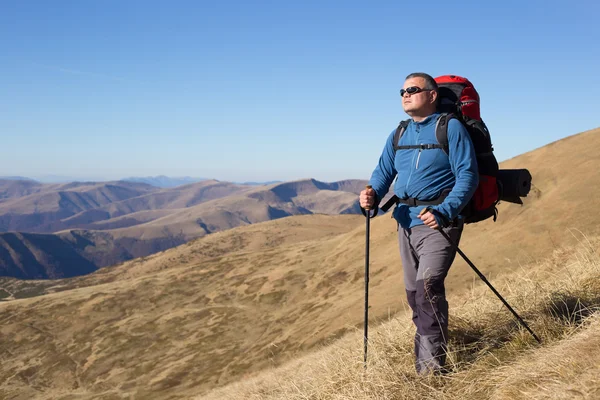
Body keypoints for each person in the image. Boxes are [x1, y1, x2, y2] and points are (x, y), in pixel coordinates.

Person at [359, 72, 479, 375]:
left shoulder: (449, 128)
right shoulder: (399, 133)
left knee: (427, 289)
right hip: (405, 222)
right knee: (414, 293)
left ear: (432, 95)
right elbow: (383, 170)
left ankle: (430, 372)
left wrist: (445, 210)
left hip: (439, 224)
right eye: (402, 91)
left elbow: (468, 175)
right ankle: (427, 357)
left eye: (413, 89)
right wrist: (372, 192)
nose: (405, 95)